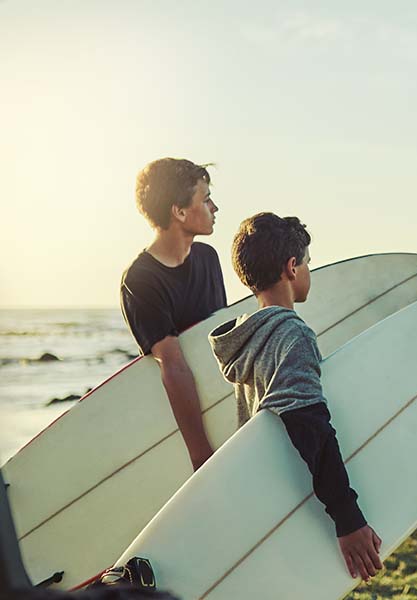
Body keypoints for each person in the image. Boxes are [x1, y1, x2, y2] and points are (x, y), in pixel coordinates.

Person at [208, 213, 383, 582]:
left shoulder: (248, 339)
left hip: (264, 496)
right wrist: (348, 519)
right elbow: (309, 426)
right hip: (298, 499)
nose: (308, 272)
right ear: (292, 267)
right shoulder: (291, 336)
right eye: (307, 263)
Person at [120, 158, 227, 472]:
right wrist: (201, 455)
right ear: (179, 212)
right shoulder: (140, 280)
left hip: (223, 406)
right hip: (186, 430)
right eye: (205, 199)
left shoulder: (208, 258)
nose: (215, 207)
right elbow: (173, 364)